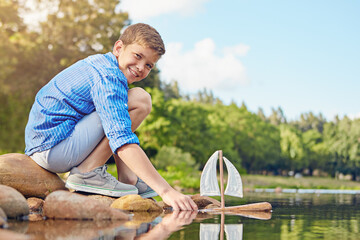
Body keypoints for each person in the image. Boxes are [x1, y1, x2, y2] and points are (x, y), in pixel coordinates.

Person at [24, 23, 198, 211]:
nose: (140, 68)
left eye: (148, 65)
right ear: (118, 48)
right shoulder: (108, 77)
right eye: (137, 56)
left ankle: (129, 179)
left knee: (135, 101)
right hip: (53, 146)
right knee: (140, 100)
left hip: (50, 144)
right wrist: (166, 191)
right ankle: (87, 172)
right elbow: (120, 138)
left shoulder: (103, 65)